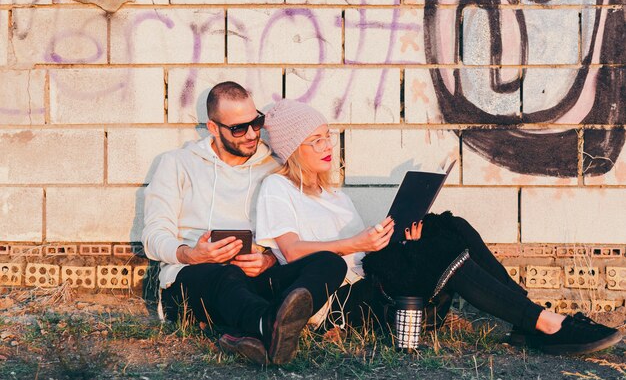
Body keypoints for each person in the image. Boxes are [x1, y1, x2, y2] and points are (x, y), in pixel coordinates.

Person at [255, 98, 623, 355]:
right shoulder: (277, 188)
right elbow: (291, 252)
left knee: (449, 226)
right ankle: (544, 325)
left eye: (327, 135)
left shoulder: (333, 193)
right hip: (349, 302)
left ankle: (529, 318)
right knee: (442, 248)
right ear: (291, 150)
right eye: (314, 140)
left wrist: (393, 240)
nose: (326, 146)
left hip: (371, 275)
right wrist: (356, 242)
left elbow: (361, 249)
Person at [142, 82, 347, 365]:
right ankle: (268, 324)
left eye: (256, 122)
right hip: (194, 279)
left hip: (256, 280)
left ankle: (251, 329)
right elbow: (154, 235)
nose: (252, 134)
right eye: (239, 128)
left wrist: (268, 259)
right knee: (224, 276)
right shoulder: (177, 164)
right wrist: (191, 254)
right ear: (213, 128)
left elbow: (292, 234)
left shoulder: (274, 167)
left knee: (330, 262)